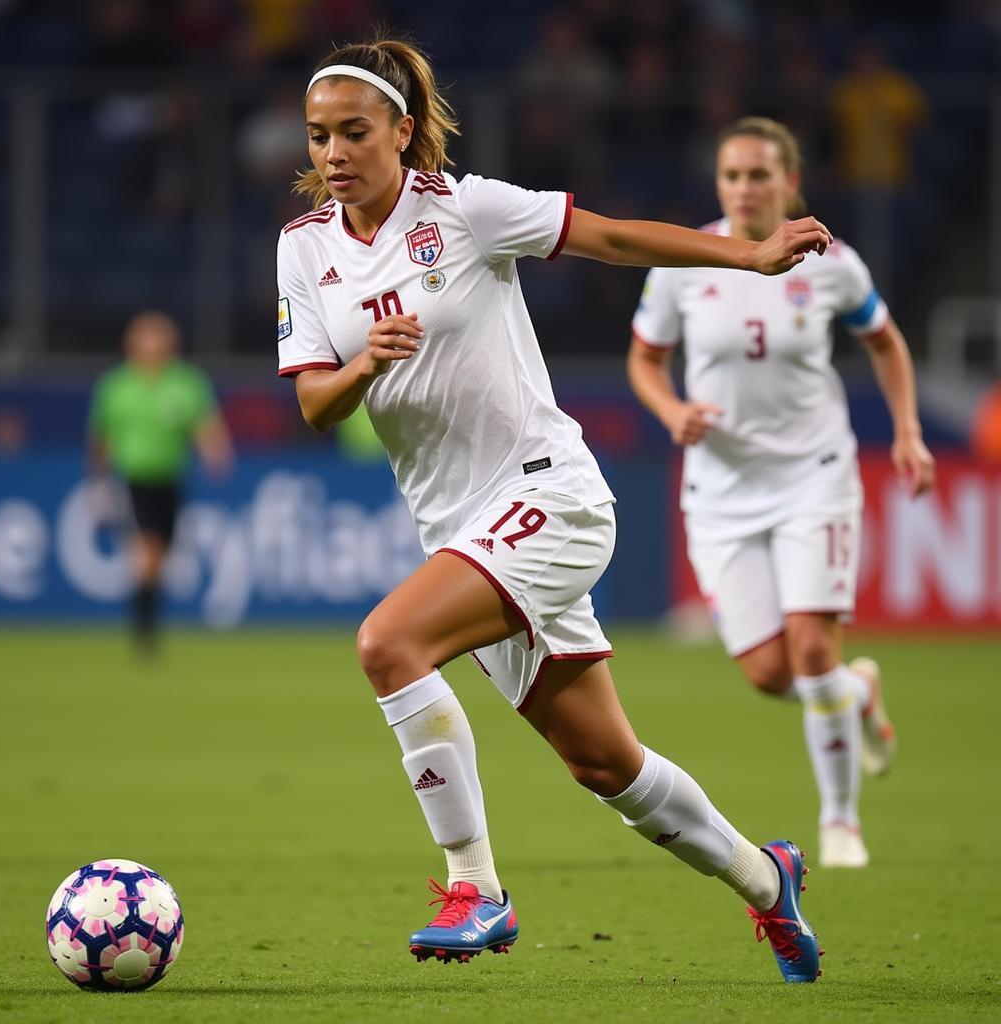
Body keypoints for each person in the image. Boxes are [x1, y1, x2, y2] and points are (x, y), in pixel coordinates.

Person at [278, 39, 832, 982]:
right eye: (319, 135)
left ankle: (476, 889)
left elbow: (610, 236)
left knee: (388, 644)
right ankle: (765, 878)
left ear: (403, 134)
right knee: (607, 766)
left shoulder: (465, 209)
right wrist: (365, 361)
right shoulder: (305, 248)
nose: (333, 152)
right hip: (462, 532)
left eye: (354, 132)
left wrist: (747, 254)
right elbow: (313, 406)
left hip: (548, 495)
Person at [627, 117, 935, 869]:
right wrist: (672, 412)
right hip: (723, 490)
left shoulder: (832, 264)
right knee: (771, 673)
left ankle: (841, 823)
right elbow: (644, 360)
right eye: (732, 175)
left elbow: (886, 341)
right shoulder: (684, 266)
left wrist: (906, 430)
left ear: (789, 182)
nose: (744, 188)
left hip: (814, 477)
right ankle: (854, 696)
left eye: (760, 174)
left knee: (811, 645)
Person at [88, 310, 233, 651]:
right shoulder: (117, 385)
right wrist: (98, 483)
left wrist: (215, 452)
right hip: (135, 478)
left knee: (161, 555)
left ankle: (146, 620)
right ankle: (144, 631)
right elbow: (102, 437)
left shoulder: (186, 382)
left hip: (171, 477)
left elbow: (205, 424)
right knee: (149, 551)